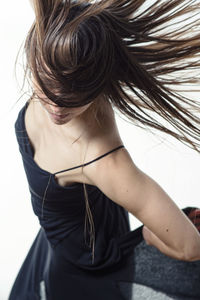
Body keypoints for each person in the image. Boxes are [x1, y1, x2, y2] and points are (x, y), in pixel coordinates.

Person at [9, 0, 200, 299]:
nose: (56, 106)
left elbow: (190, 246)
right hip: (55, 243)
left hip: (84, 269)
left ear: (98, 85)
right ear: (34, 56)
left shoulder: (103, 161)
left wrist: (151, 235)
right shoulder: (58, 53)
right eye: (46, 84)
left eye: (74, 95)